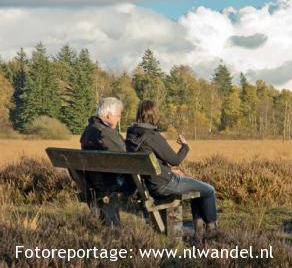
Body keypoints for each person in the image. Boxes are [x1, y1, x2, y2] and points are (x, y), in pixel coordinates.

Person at [125, 99, 218, 240]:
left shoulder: (131, 136)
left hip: (149, 184)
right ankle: (211, 231)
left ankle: (199, 231)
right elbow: (175, 160)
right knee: (209, 190)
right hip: (165, 184)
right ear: (154, 115)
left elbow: (152, 161)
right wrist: (185, 146)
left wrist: (167, 170)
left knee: (196, 188)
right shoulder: (152, 136)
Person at [79, 97, 135, 226]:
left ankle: (107, 225)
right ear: (109, 115)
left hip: (91, 181)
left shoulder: (89, 130)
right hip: (110, 182)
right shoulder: (106, 132)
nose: (119, 119)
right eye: (118, 116)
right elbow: (125, 156)